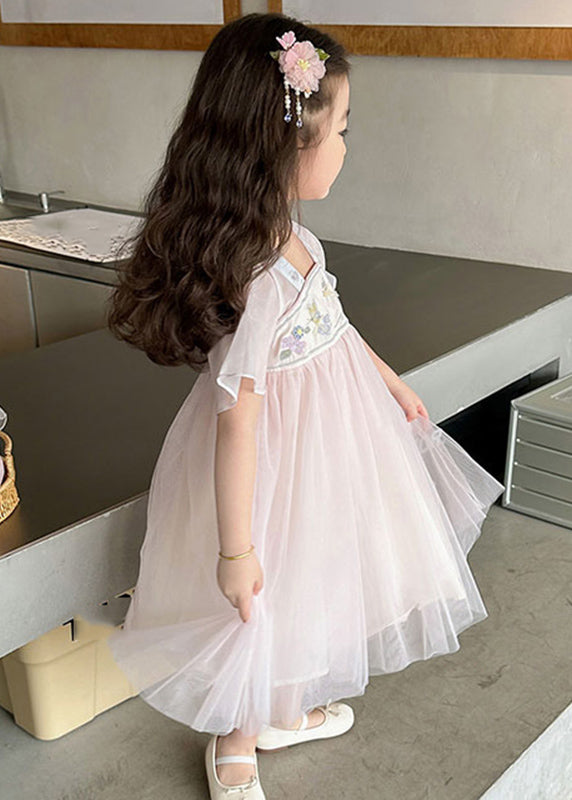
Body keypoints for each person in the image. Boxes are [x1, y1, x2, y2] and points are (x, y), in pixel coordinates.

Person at [105, 12, 505, 800]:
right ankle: (236, 739)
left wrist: (386, 379)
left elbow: (334, 325)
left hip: (331, 446)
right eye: (341, 130)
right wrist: (235, 550)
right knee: (264, 599)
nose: (348, 147)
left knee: (320, 581)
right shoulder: (254, 275)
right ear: (285, 144)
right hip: (275, 466)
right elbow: (238, 418)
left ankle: (282, 709)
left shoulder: (293, 237)